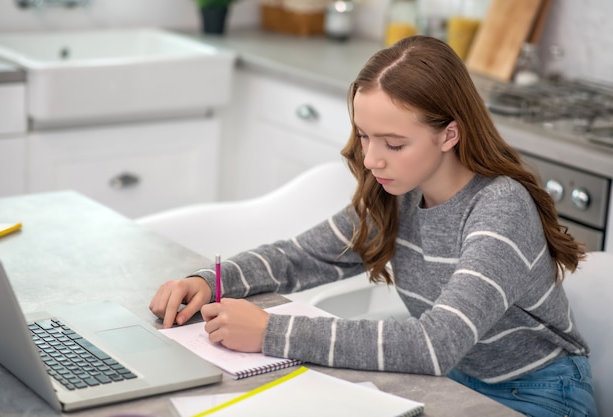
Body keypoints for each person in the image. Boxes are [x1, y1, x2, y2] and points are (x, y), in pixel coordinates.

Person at [149, 35, 598, 416]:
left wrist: (270, 332)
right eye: (364, 136)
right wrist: (212, 282)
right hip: (458, 380)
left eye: (394, 143)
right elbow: (305, 255)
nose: (370, 159)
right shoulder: (400, 192)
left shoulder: (500, 207)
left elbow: (433, 344)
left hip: (539, 397)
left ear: (449, 134)